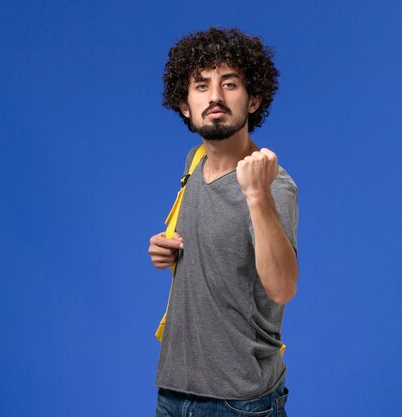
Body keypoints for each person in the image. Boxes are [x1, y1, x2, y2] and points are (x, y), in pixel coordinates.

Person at [148, 27, 299, 417]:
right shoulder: (194, 162)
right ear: (184, 105)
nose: (215, 96)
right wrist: (166, 247)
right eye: (201, 86)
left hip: (239, 402)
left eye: (229, 84)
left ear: (254, 100)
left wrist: (256, 196)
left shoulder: (272, 185)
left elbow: (282, 287)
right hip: (173, 389)